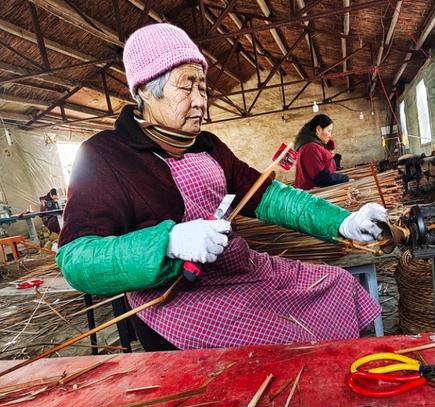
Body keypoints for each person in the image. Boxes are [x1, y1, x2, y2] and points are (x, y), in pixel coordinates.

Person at [57, 23, 388, 351]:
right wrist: (168, 243)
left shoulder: (208, 145)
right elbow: (76, 259)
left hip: (239, 269)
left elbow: (268, 195)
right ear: (145, 89)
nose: (201, 102)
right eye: (187, 88)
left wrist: (342, 222)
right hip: (179, 299)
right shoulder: (106, 155)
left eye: (203, 88)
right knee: (279, 348)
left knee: (338, 284)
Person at [293, 114, 349, 190]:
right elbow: (322, 178)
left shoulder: (314, 145)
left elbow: (322, 164)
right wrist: (345, 178)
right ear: (318, 129)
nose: (330, 135)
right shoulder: (310, 148)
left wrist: (334, 161)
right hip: (313, 194)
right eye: (329, 131)